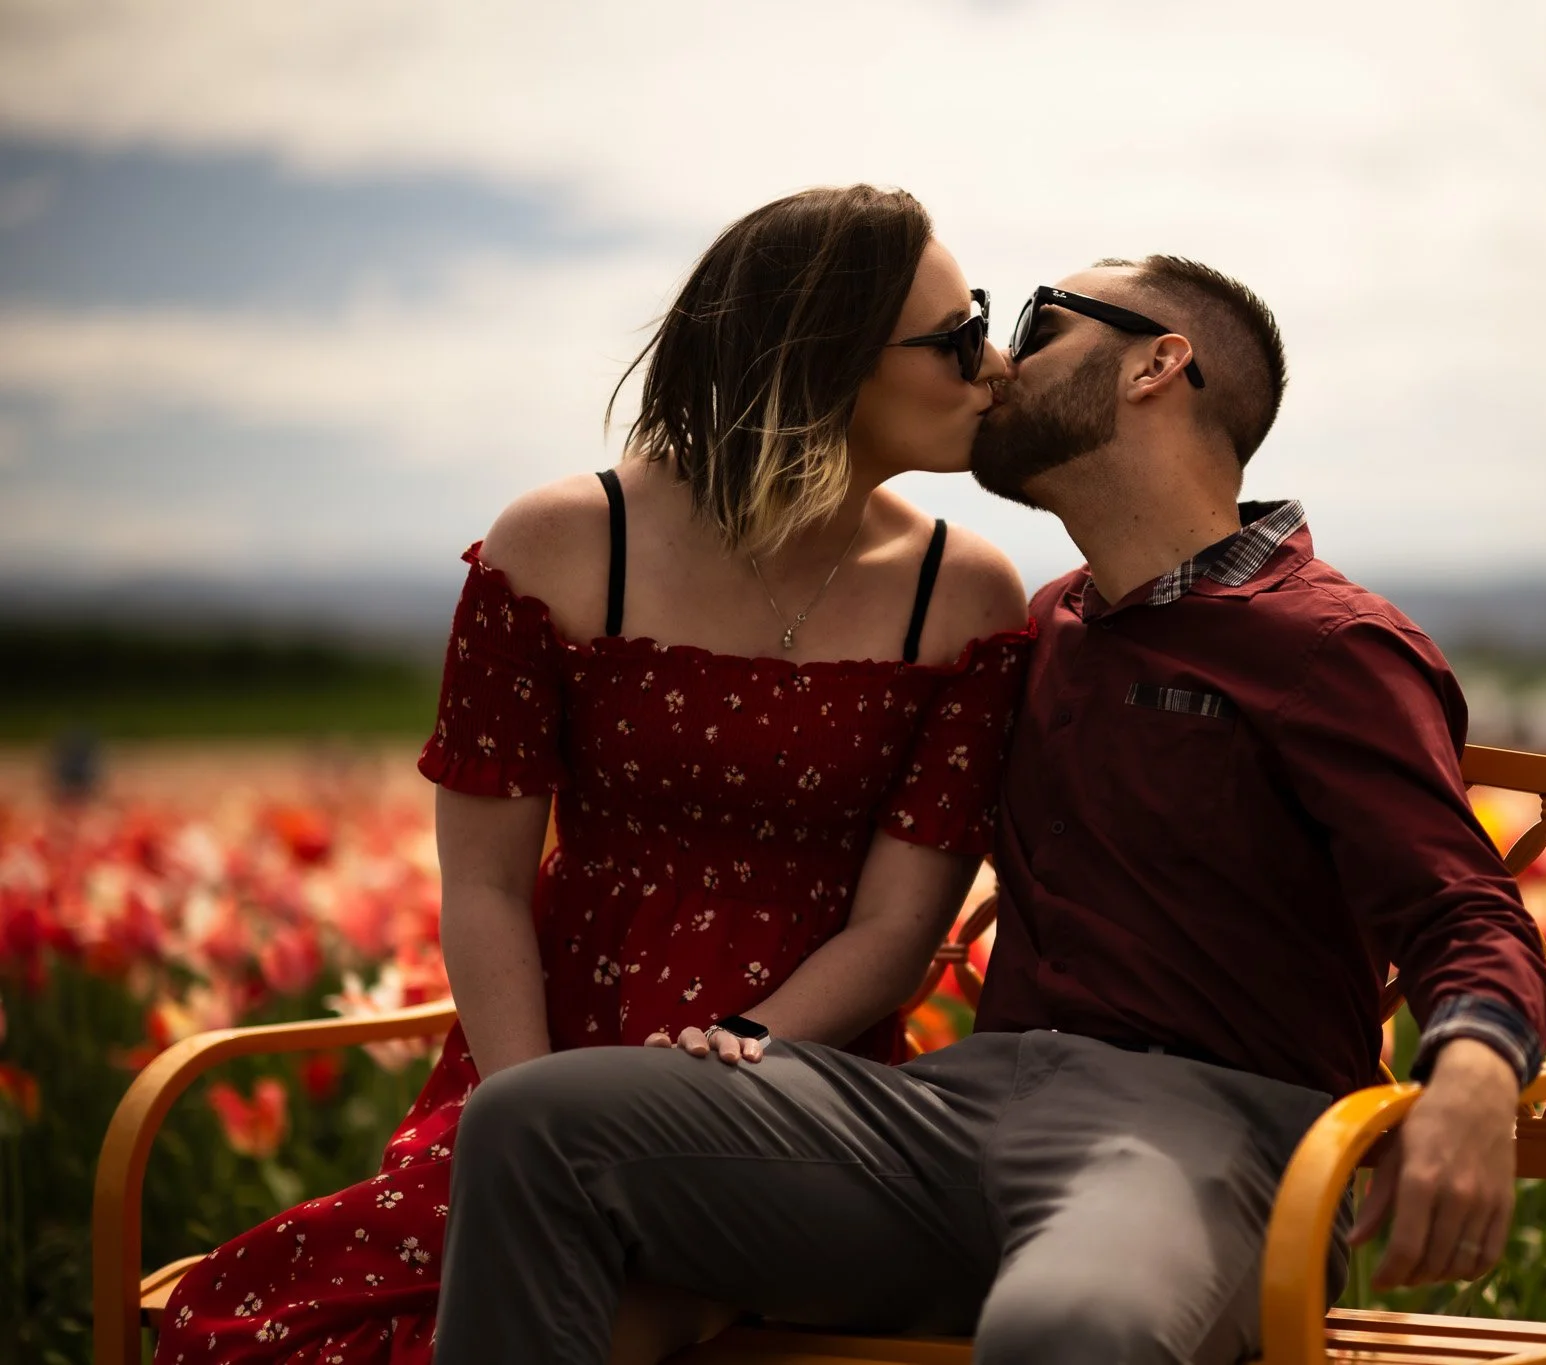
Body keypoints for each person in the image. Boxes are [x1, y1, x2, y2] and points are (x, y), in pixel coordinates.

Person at [430, 255, 1546, 1365]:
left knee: (1068, 1331)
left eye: (1041, 320)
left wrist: (1468, 1073)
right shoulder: (1041, 626)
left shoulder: (1323, 646)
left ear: (1157, 366)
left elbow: (1464, 909)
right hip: (956, 1112)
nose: (999, 359)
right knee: (536, 1127)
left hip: (1204, 1143)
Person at [151, 185, 1034, 1365]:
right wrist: (524, 1117)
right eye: (958, 337)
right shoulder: (562, 546)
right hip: (544, 1043)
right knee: (281, 1322)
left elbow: (898, 922)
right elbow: (481, 885)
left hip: (797, 1061)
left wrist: (742, 1046)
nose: (999, 366)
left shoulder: (966, 593)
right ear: (819, 362)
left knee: (633, 1301)